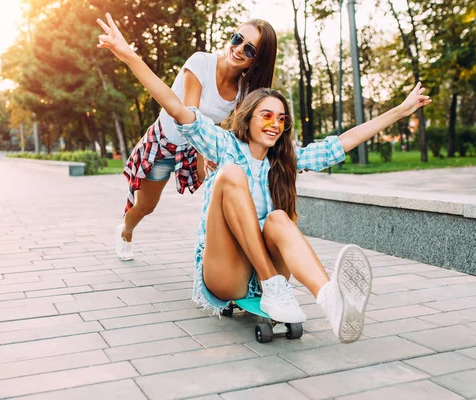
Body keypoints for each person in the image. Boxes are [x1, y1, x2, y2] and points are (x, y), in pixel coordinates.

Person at [97, 13, 432, 343]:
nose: (274, 124)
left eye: (281, 120)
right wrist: (128, 55)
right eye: (266, 116)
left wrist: (400, 110)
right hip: (225, 273)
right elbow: (173, 103)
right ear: (248, 118)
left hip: (260, 272)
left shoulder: (284, 158)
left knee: (278, 218)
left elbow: (340, 143)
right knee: (230, 174)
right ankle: (273, 285)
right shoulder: (222, 144)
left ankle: (333, 302)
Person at [113, 16, 278, 261]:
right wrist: (207, 154)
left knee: (222, 192)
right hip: (165, 144)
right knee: (146, 206)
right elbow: (192, 118)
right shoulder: (200, 62)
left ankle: (227, 258)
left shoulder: (245, 90)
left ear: (258, 60)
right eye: (238, 39)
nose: (239, 49)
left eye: (250, 49)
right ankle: (125, 231)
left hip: (196, 149)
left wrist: (282, 155)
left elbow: (245, 129)